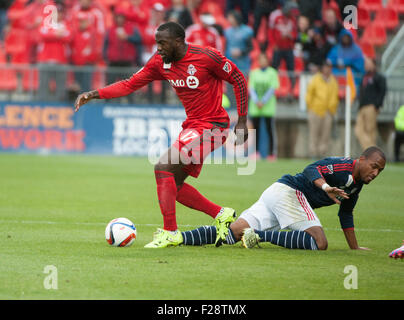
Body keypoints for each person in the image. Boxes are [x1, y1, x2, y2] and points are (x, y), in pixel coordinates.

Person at [74, 21, 249, 248]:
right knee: (171, 185)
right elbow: (130, 84)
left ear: (178, 42)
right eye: (157, 43)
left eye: (163, 43)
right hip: (193, 127)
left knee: (162, 167)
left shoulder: (207, 57)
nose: (159, 48)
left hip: (213, 126)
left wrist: (243, 119)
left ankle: (170, 232)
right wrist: (94, 94)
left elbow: (238, 78)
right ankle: (221, 214)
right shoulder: (160, 63)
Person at [179, 146, 386, 251]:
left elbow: (346, 213)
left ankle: (179, 238)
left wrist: (355, 248)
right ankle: (258, 236)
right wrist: (324, 187)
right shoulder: (344, 167)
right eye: (374, 166)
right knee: (319, 242)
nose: (375, 173)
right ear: (361, 159)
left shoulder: (356, 185)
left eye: (380, 171)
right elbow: (311, 168)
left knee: (231, 233)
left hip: (277, 193)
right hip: (290, 193)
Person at [248, 52, 279, 161]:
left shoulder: (272, 73)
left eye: (264, 59)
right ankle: (256, 153)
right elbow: (251, 88)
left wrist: (263, 101)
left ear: (267, 61)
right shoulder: (254, 73)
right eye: (260, 60)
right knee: (256, 130)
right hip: (256, 106)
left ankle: (271, 153)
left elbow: (272, 88)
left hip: (267, 106)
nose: (262, 62)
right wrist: (257, 101)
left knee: (269, 129)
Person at [305, 60, 339, 158]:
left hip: (328, 111)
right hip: (315, 110)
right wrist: (310, 107)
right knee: (313, 134)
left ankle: (322, 154)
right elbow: (309, 94)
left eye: (329, 67)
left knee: (325, 135)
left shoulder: (333, 81)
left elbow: (335, 96)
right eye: (325, 67)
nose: (327, 69)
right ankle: (313, 154)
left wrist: (332, 108)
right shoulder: (315, 79)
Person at [354, 58, 386, 151]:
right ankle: (370, 150)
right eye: (366, 64)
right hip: (362, 106)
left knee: (370, 130)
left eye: (368, 63)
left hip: (371, 107)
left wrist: (377, 105)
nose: (366, 65)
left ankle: (371, 153)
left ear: (374, 65)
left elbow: (382, 92)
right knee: (358, 130)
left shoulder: (379, 77)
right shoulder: (364, 77)